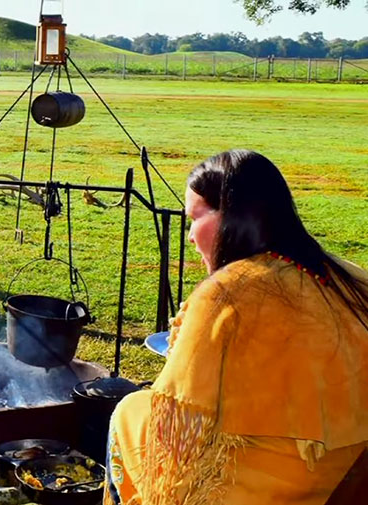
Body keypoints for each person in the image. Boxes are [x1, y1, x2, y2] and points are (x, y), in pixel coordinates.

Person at [104, 150, 368, 505]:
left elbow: (179, 421)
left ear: (231, 217)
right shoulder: (348, 276)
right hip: (342, 476)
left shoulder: (228, 293)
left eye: (193, 219)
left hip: (256, 488)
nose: (190, 237)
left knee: (130, 411)